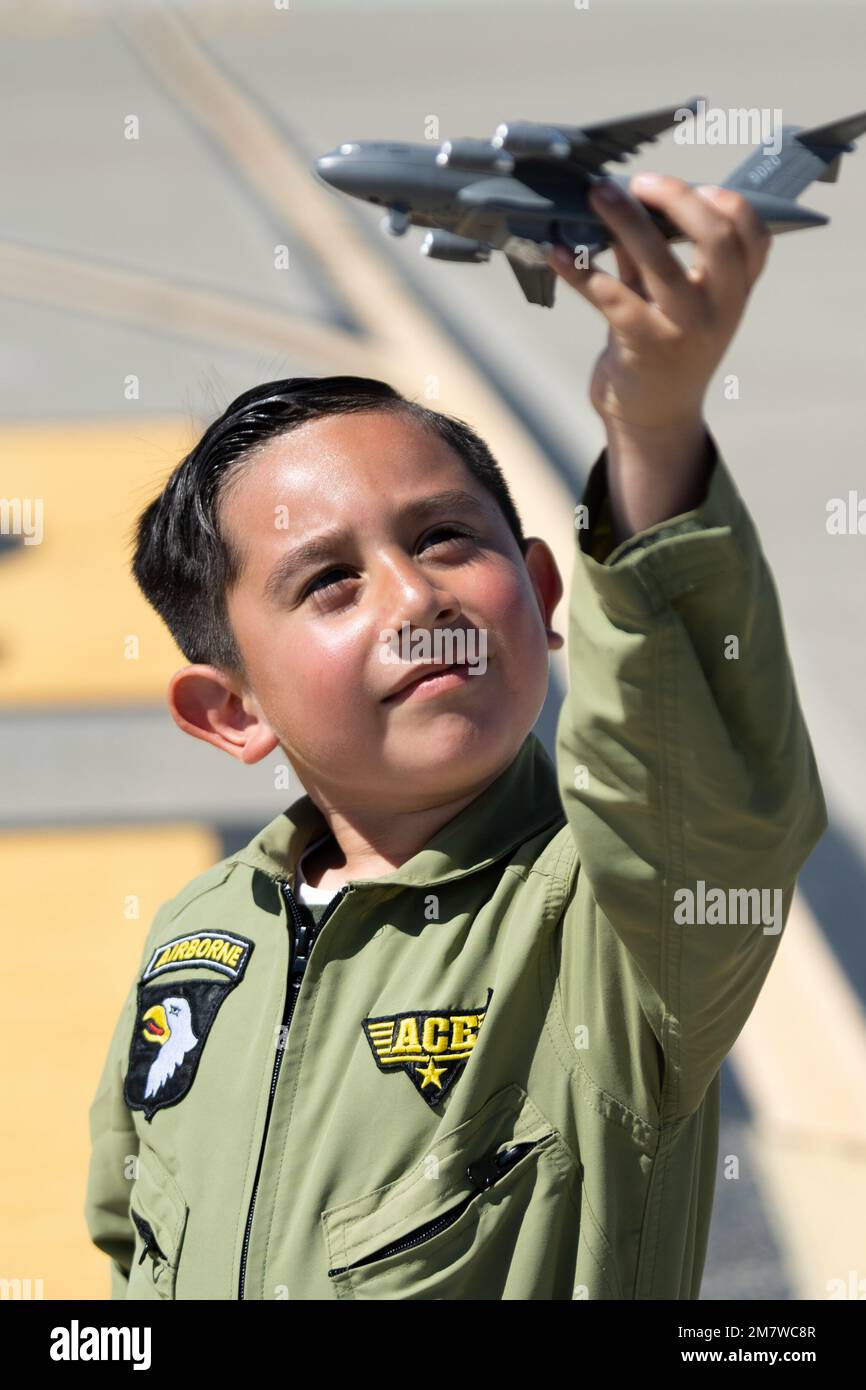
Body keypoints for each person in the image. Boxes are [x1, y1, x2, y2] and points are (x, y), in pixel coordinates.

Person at [84, 173, 826, 1300]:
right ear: (233, 712)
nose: (413, 598)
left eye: (443, 539)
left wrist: (652, 427)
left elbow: (700, 793)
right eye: (329, 581)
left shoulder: (611, 922)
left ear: (538, 591)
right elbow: (129, 1233)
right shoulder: (199, 932)